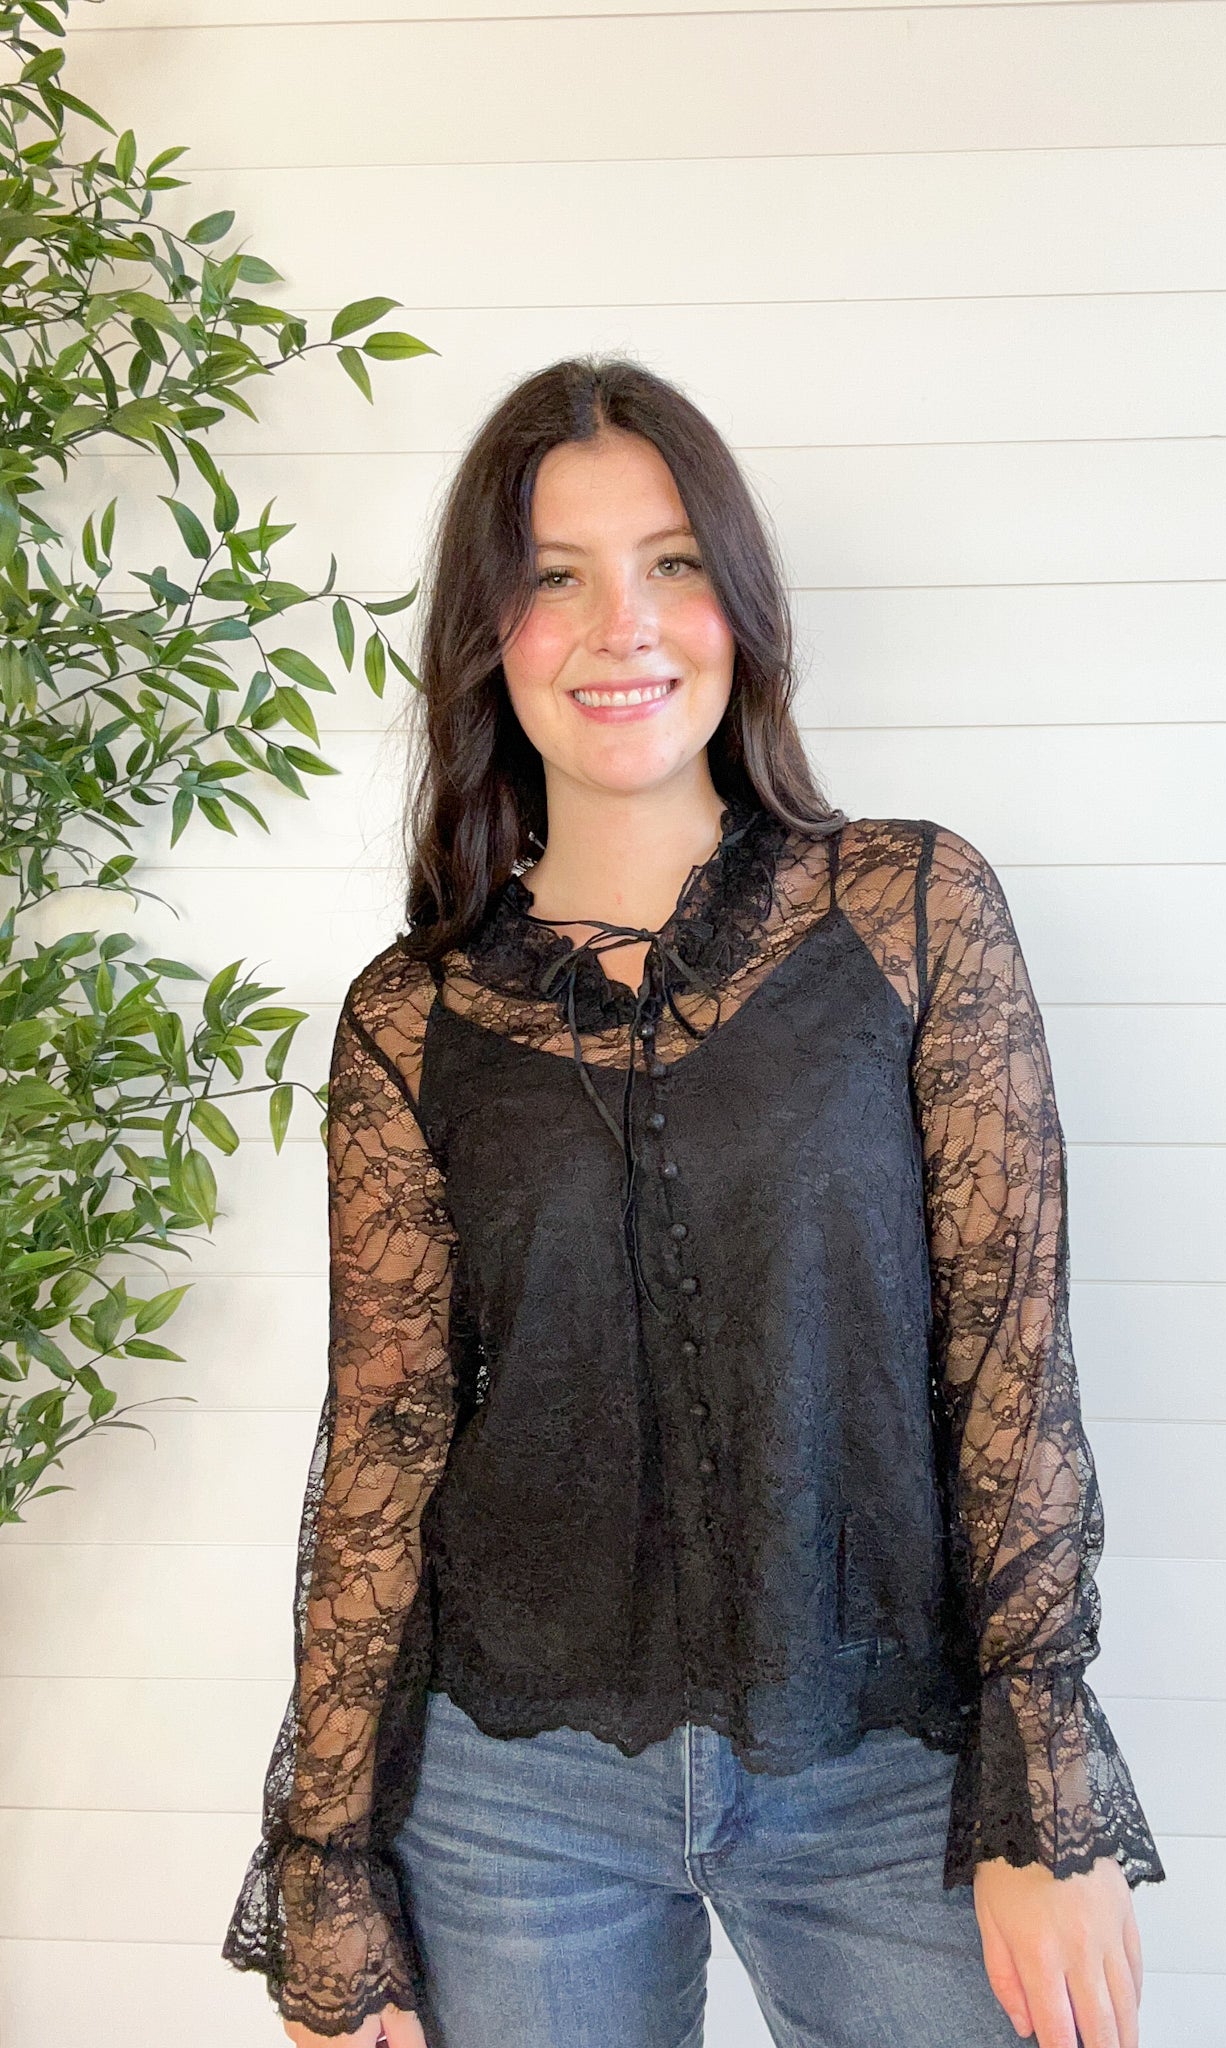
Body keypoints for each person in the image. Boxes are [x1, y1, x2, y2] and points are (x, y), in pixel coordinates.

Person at [221, 356, 1165, 2048]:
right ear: (488, 637)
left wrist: (1044, 1775)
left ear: (739, 601)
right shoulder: (408, 1020)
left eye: (670, 562)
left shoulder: (912, 913)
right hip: (513, 1792)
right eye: (554, 577)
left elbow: (1011, 1361)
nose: (623, 627)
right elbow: (385, 1438)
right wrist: (327, 1858)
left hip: (887, 1760)